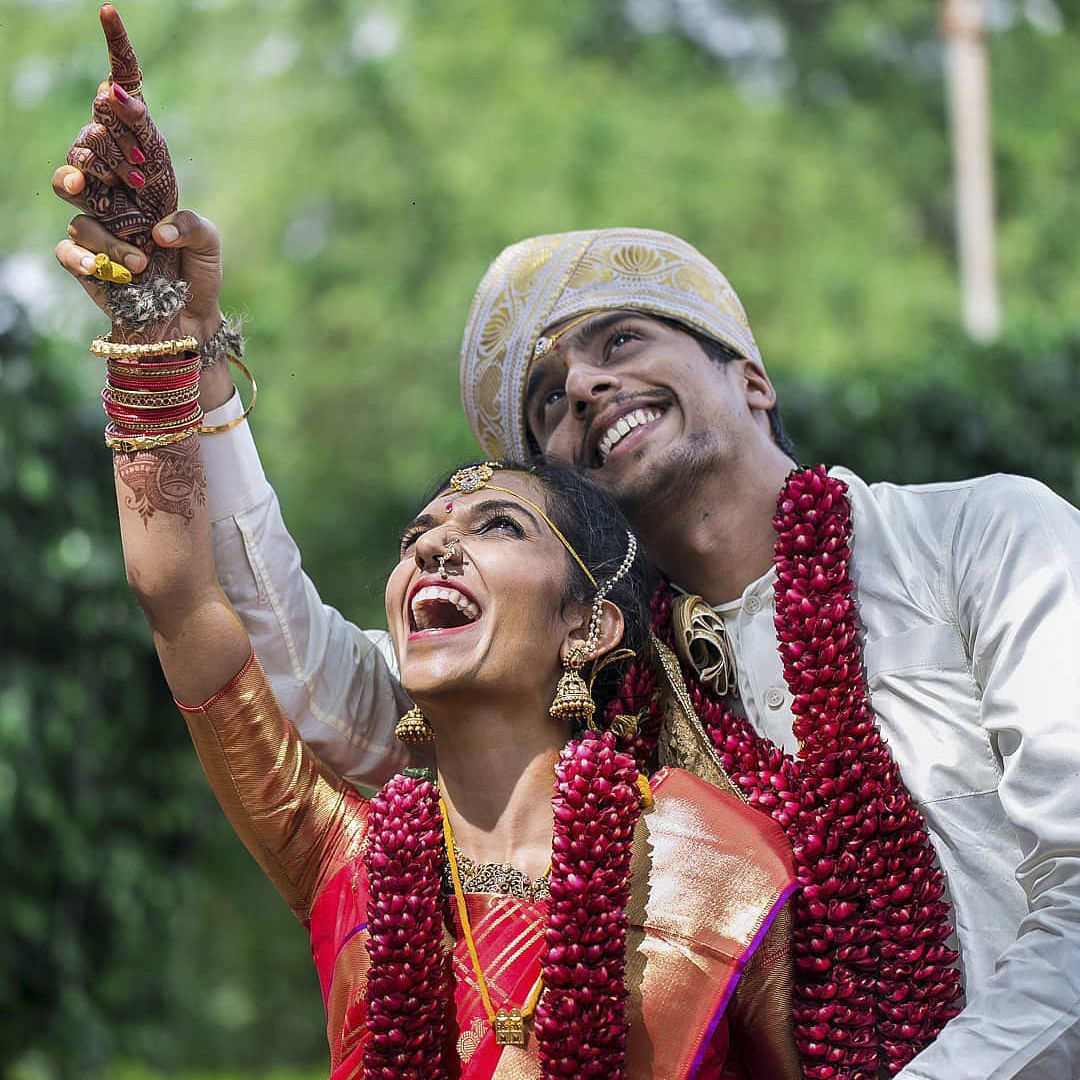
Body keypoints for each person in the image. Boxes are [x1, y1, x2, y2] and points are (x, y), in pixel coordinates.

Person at [53, 9, 1080, 1080]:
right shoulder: (582, 692)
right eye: (546, 399)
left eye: (622, 339)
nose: (584, 385)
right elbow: (295, 662)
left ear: (751, 376)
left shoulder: (990, 537)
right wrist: (175, 335)